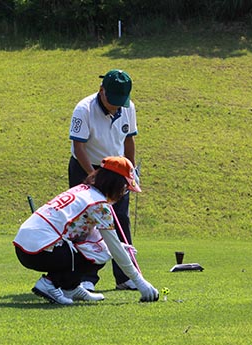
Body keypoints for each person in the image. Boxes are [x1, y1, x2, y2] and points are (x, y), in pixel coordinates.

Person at [13, 156, 159, 305]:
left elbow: (94, 235)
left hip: (24, 247)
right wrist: (139, 281)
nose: (124, 193)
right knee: (102, 252)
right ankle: (49, 284)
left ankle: (71, 287)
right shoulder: (99, 205)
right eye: (125, 188)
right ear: (115, 184)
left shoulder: (82, 190)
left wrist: (118, 247)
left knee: (101, 248)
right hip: (41, 251)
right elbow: (113, 246)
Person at [68, 69, 139, 292]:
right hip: (85, 166)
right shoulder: (84, 109)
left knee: (120, 221)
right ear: (102, 91)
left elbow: (129, 140)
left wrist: (130, 170)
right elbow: (79, 147)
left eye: (120, 101)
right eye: (113, 100)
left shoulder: (128, 107)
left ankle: (125, 277)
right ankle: (86, 278)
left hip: (116, 169)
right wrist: (93, 177)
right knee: (86, 224)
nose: (116, 106)